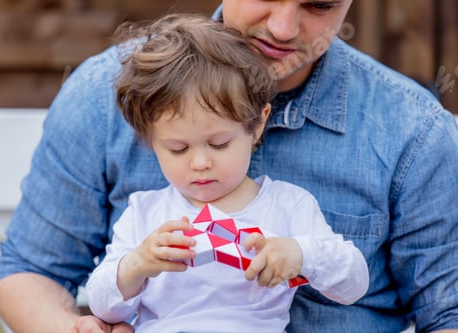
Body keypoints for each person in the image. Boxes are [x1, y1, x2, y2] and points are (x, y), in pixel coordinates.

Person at [0, 1, 458, 333]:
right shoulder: (104, 93)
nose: (283, 27)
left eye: (319, 5)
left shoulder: (414, 131)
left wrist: (305, 255)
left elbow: (448, 313)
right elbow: (29, 269)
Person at [79, 14, 369, 333]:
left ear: (257, 125)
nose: (200, 162)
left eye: (219, 143)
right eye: (178, 148)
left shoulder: (287, 205)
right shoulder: (145, 213)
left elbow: (353, 284)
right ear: (150, 140)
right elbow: (103, 305)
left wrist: (302, 253)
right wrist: (136, 265)